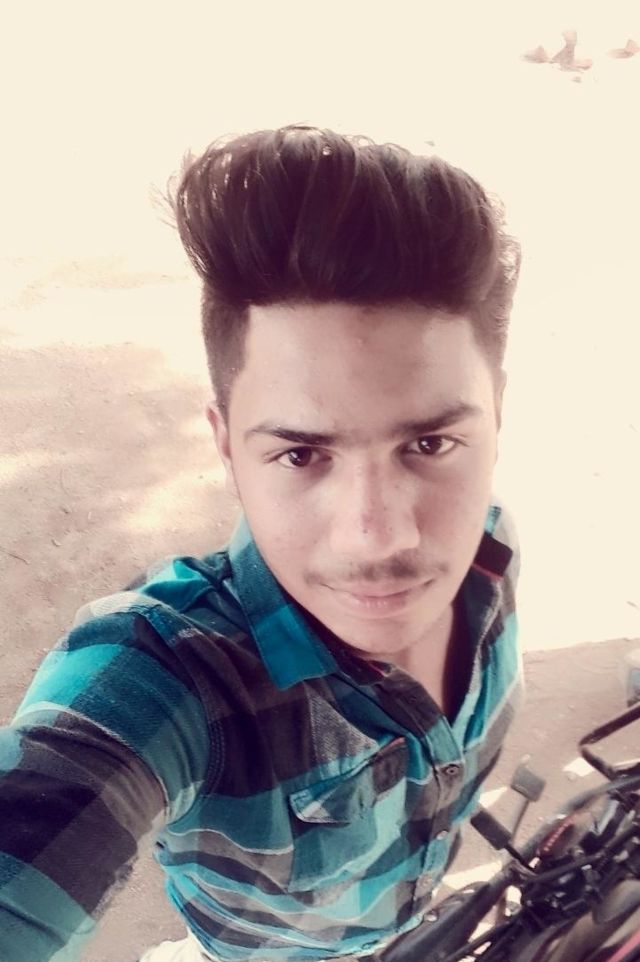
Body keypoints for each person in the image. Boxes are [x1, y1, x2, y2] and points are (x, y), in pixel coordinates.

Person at [0, 124, 522, 962]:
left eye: (429, 444)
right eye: (302, 455)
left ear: (496, 415)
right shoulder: (175, 676)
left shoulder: (490, 546)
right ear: (226, 444)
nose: (381, 534)